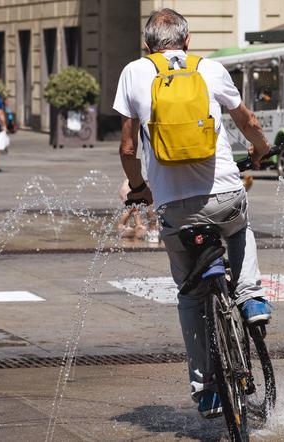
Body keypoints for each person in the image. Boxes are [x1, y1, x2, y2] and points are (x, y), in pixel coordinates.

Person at [113, 8, 272, 419]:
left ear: (147, 45)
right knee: (238, 226)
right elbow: (249, 122)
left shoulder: (133, 72)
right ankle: (251, 297)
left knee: (189, 293)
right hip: (224, 195)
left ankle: (207, 392)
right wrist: (260, 150)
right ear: (187, 41)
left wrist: (139, 188)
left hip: (176, 209)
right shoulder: (210, 68)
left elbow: (128, 149)